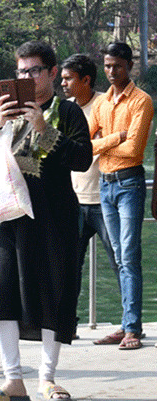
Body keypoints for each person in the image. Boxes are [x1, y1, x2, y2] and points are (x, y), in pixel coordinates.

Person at [0, 41, 91, 401]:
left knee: (55, 292)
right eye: (21, 71)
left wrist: (44, 129)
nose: (26, 77)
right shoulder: (7, 113)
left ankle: (47, 378)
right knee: (2, 293)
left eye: (34, 70)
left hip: (55, 216)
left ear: (52, 73)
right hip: (11, 215)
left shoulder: (67, 112)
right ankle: (13, 381)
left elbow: (83, 159)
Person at [87, 42, 152, 350]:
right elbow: (84, 144)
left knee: (128, 256)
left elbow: (135, 149)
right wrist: (115, 138)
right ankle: (127, 324)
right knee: (117, 256)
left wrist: (103, 143)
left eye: (117, 66)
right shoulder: (101, 103)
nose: (112, 71)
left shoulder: (141, 101)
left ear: (129, 66)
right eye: (108, 66)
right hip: (105, 184)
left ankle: (132, 329)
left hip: (129, 185)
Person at [60, 55, 118, 286]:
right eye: (62, 78)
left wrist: (89, 145)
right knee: (68, 268)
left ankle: (130, 311)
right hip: (73, 200)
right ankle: (68, 312)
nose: (63, 83)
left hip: (105, 200)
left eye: (68, 78)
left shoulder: (107, 105)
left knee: (120, 263)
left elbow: (123, 142)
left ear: (86, 80)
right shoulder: (65, 110)